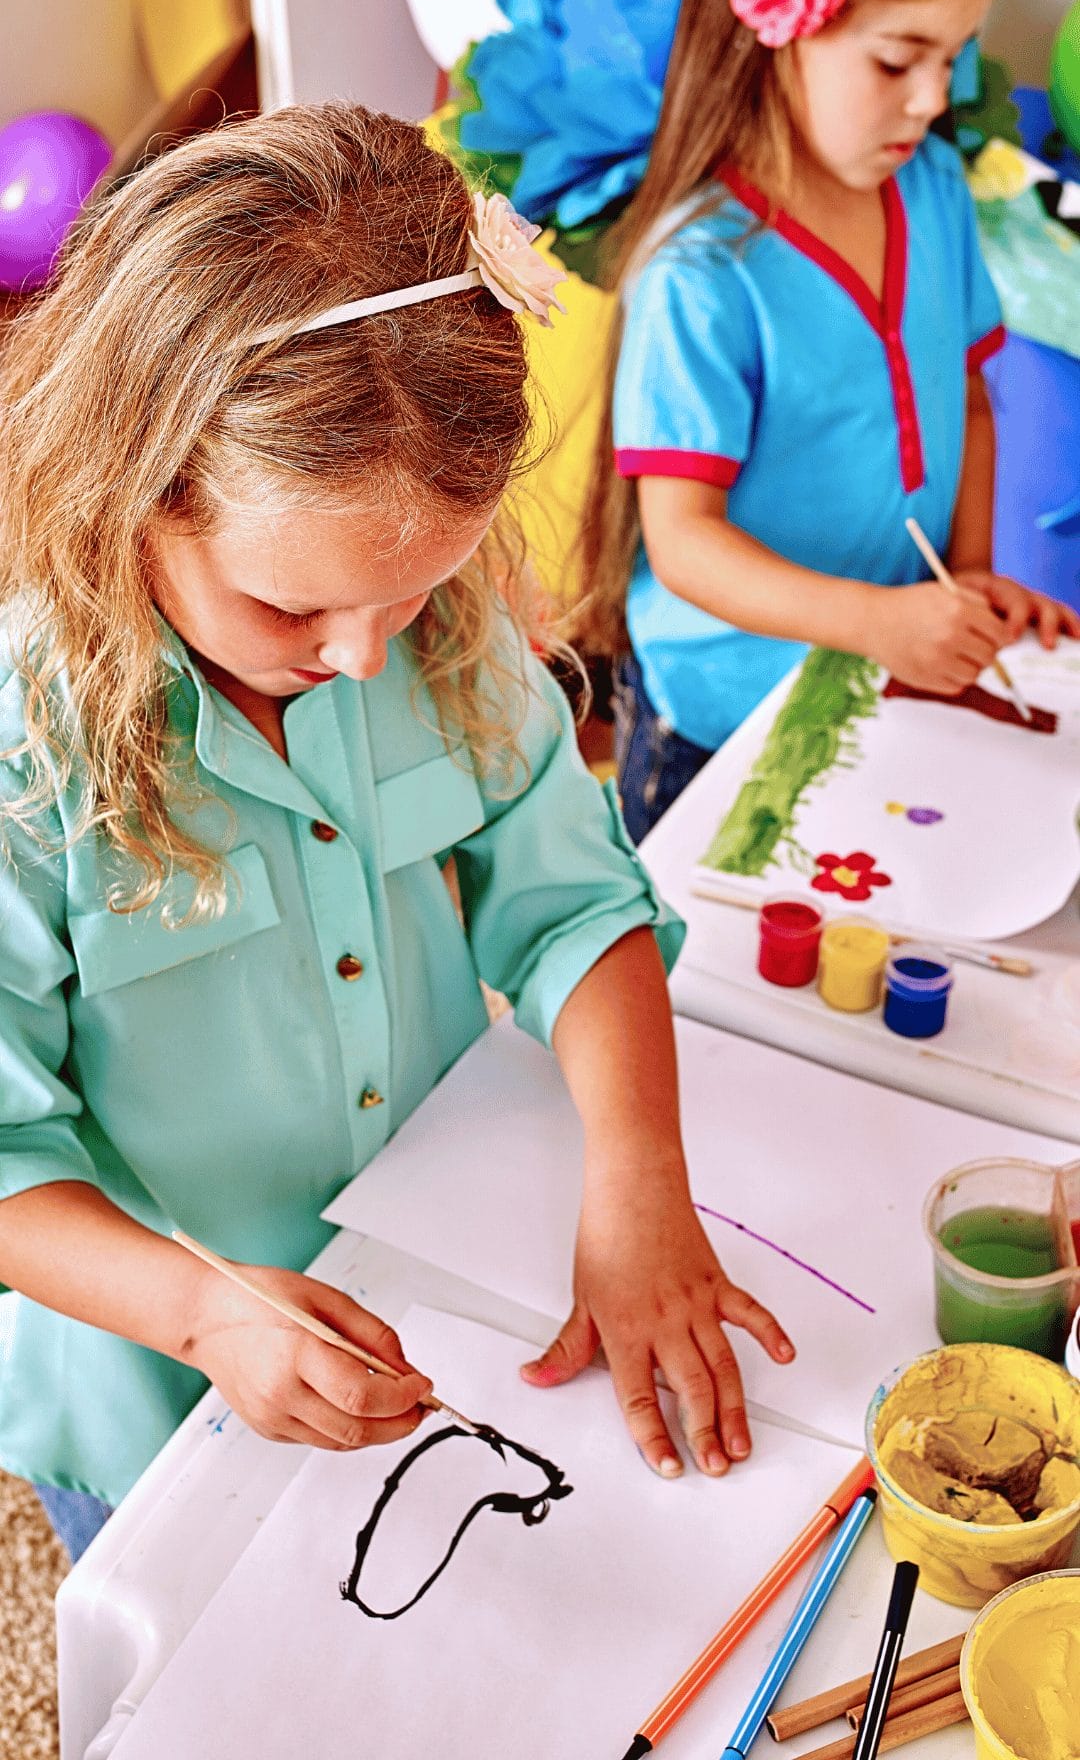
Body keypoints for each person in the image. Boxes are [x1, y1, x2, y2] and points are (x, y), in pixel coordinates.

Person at [0, 106, 794, 1562]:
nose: (367, 660)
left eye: (413, 592)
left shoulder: (432, 631)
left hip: (435, 1270)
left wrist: (637, 1176)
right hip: (149, 1373)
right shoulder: (21, 750)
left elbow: (570, 903)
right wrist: (200, 1308)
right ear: (135, 487)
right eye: (294, 611)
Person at [576, 0, 1080, 842]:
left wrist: (964, 581)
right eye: (898, 60)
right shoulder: (703, 271)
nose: (933, 97)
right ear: (775, 30)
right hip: (724, 713)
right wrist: (880, 623)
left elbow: (971, 404)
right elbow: (684, 544)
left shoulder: (931, 190)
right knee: (708, 959)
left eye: (953, 56)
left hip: (870, 679)